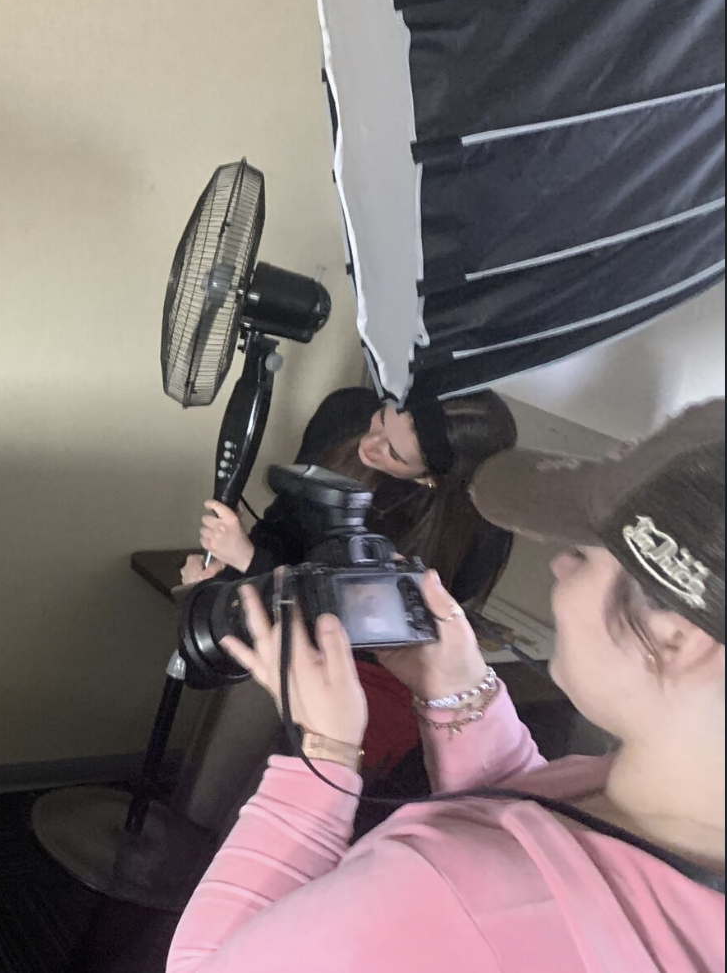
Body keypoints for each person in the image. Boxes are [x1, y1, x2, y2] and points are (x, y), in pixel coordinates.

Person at [165, 398, 725, 973]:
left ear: (677, 636)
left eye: (581, 555)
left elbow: (202, 966)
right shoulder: (644, 800)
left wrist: (324, 759)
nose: (558, 566)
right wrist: (460, 692)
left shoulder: (441, 895)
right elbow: (534, 816)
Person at [183, 386, 518, 785]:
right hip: (289, 626)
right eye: (382, 419)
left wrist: (249, 560)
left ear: (432, 478)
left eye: (394, 453)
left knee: (293, 780)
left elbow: (362, 621)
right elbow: (281, 531)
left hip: (381, 669)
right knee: (219, 758)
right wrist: (228, 567)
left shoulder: (477, 533)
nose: (370, 444)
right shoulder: (344, 417)